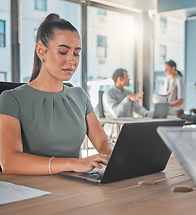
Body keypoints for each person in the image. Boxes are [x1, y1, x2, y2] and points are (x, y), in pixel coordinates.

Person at [0, 13, 112, 175]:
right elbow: (9, 161)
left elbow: (102, 142)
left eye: (76, 53)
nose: (72, 61)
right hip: (32, 191)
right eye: (62, 52)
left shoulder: (79, 95)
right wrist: (73, 163)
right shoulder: (11, 99)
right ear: (41, 51)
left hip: (74, 187)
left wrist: (112, 155)